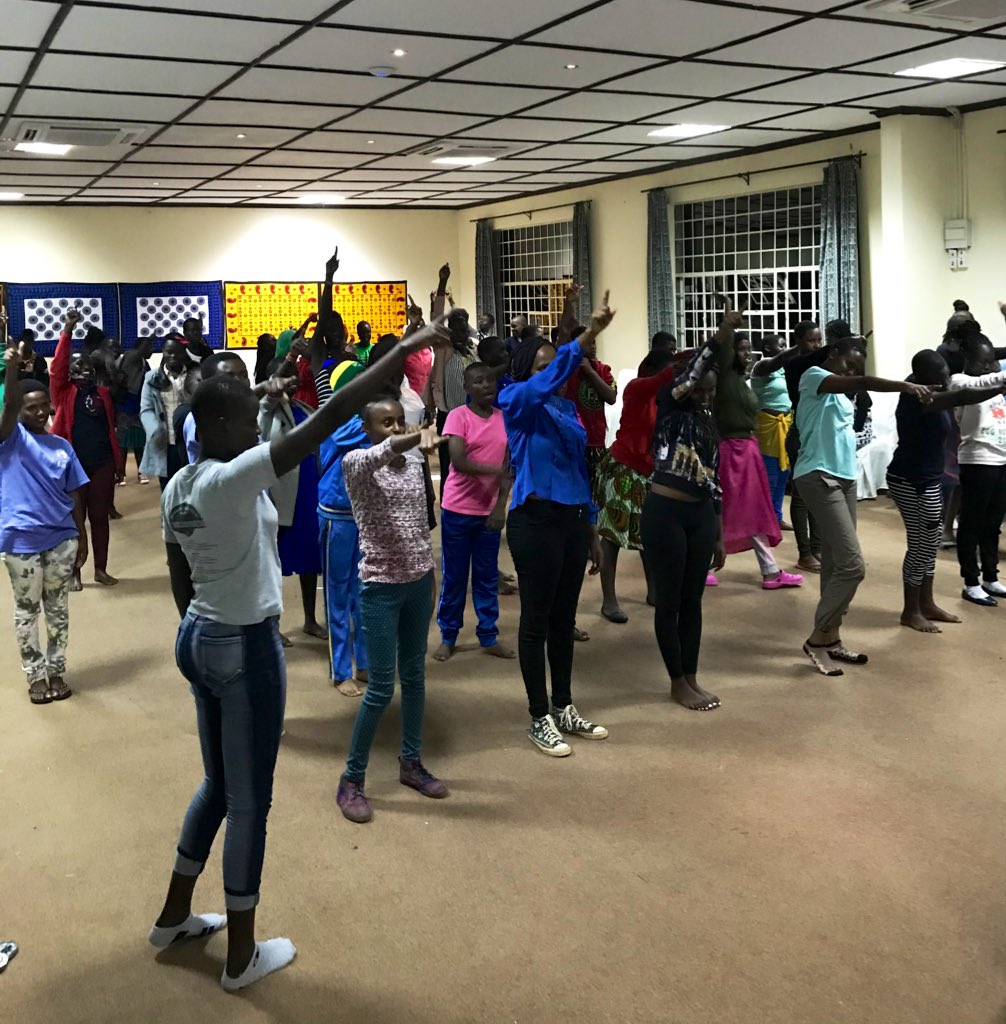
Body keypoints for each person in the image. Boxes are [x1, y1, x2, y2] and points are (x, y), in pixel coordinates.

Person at [152, 316, 446, 989]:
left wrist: (271, 391)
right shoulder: (235, 478)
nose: (258, 424)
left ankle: (174, 913)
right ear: (221, 427)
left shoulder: (181, 485)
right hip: (244, 644)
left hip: (197, 636)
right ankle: (241, 955)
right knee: (251, 798)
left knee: (218, 785)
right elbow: (335, 412)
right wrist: (401, 350)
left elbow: (178, 574)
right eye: (246, 413)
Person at [499, 294, 615, 757]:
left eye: (559, 366)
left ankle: (564, 705)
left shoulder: (567, 412)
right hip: (534, 521)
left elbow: (578, 470)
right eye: (545, 367)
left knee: (565, 620)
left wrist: (590, 527)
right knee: (536, 619)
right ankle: (538, 715)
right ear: (528, 371)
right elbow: (540, 384)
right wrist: (583, 337)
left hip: (570, 519)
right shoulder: (517, 401)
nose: (557, 375)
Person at [336, 397, 447, 824]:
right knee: (381, 688)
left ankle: (411, 763)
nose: (396, 428)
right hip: (380, 588)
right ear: (368, 428)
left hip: (418, 582)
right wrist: (414, 437)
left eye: (401, 421)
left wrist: (430, 576)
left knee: (415, 676)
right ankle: (352, 779)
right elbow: (385, 451)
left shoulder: (416, 467)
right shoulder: (357, 463)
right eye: (386, 422)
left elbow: (421, 524)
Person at [795, 337, 931, 676]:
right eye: (847, 364)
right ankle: (816, 637)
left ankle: (831, 638)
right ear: (833, 354)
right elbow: (866, 383)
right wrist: (904, 386)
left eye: (857, 367)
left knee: (836, 563)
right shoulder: (813, 376)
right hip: (817, 475)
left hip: (845, 477)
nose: (852, 371)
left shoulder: (842, 395)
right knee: (854, 566)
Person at [641, 307, 744, 713]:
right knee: (669, 601)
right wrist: (721, 335)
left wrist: (718, 531)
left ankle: (693, 675)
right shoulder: (670, 403)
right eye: (698, 389)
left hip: (699, 515)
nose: (703, 396)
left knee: (693, 600)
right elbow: (696, 369)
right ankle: (676, 681)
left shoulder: (706, 423)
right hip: (665, 511)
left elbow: (714, 480)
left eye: (709, 392)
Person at [887, 349, 1006, 631]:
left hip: (929, 478)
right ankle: (910, 610)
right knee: (919, 545)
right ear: (918, 375)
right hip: (910, 480)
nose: (944, 377)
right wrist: (1000, 388)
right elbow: (962, 396)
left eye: (944, 372)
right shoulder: (915, 396)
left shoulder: (931, 388)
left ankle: (926, 603)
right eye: (938, 373)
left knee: (930, 541)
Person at [0, 356, 88, 704]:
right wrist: (11, 371)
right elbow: (7, 407)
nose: (38, 413)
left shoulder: (62, 446)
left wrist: (80, 535)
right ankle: (35, 674)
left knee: (58, 609)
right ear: (19, 410)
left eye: (42, 407)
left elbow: (75, 493)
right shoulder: (9, 441)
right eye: (30, 408)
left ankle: (56, 668)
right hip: (21, 538)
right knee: (27, 609)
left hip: (61, 538)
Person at [433, 362, 514, 663]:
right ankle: (449, 635)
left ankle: (488, 634)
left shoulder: (503, 420)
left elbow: (509, 471)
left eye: (490, 380)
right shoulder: (458, 416)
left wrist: (499, 507)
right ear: (466, 388)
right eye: (478, 381)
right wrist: (496, 471)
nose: (486, 386)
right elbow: (459, 461)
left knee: (486, 576)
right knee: (455, 576)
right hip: (457, 509)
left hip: (488, 512)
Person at [594, 347, 679, 623]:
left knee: (650, 535)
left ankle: (653, 591)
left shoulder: (666, 397)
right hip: (623, 468)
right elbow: (664, 378)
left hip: (649, 470)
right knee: (612, 537)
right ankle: (609, 600)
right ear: (652, 370)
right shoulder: (637, 388)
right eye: (667, 372)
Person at [712, 329, 801, 590]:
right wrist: (729, 317)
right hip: (732, 449)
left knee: (754, 509)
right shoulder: (726, 377)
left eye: (749, 349)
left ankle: (770, 571)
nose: (747, 354)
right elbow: (725, 343)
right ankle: (703, 564)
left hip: (747, 447)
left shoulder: (741, 379)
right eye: (742, 349)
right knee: (731, 509)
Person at [49, 309, 122, 589]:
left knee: (100, 518)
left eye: (88, 371)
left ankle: (100, 569)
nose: (84, 374)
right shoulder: (64, 392)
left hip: (102, 461)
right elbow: (57, 367)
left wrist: (117, 462)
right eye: (78, 370)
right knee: (73, 520)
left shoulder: (102, 395)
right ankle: (75, 571)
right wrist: (67, 329)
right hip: (72, 466)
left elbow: (110, 430)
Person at [258, 359, 325, 643]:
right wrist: (276, 382)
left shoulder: (303, 408)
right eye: (287, 376)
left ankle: (310, 619)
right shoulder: (268, 408)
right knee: (276, 560)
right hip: (283, 494)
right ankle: (272, 624)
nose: (293, 381)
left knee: (310, 558)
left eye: (296, 376)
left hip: (309, 488)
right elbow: (265, 406)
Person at [949, 333, 1006, 607]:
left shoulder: (994, 383)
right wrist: (1000, 380)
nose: (988, 367)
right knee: (971, 523)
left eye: (991, 361)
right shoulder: (960, 382)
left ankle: (990, 577)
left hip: (1001, 459)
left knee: (993, 523)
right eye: (982, 362)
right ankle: (970, 582)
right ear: (968, 360)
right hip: (976, 458)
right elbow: (980, 386)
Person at [779, 321, 825, 572]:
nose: (817, 345)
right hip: (800, 434)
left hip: (816, 435)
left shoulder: (821, 366)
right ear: (798, 341)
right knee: (801, 496)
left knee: (817, 494)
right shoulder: (796, 364)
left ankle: (817, 549)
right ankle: (805, 553)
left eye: (819, 340)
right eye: (811, 340)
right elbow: (818, 358)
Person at [428, 302, 477, 500]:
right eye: (455, 330)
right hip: (450, 417)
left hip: (472, 418)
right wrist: (442, 286)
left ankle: (470, 502)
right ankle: (449, 503)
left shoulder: (472, 352)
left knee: (470, 463)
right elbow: (436, 319)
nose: (460, 334)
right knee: (450, 464)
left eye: (463, 330)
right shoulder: (443, 350)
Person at [140, 336, 197, 489]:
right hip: (167, 441)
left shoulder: (196, 373)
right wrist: (154, 430)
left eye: (177, 352)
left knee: (193, 483)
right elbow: (146, 409)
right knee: (168, 486)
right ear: (163, 352)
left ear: (184, 353)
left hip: (191, 440)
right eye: (169, 352)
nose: (173, 356)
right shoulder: (151, 378)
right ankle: (169, 513)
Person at [749, 332, 793, 528]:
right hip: (768, 424)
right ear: (768, 348)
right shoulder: (762, 367)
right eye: (781, 345)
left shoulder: (785, 370)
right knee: (770, 475)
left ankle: (776, 516)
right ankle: (763, 520)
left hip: (787, 422)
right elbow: (781, 359)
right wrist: (799, 349)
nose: (785, 349)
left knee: (784, 473)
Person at [115, 335, 153, 485]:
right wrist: (149, 340)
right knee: (123, 442)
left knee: (139, 441)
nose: (150, 350)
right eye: (148, 347)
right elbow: (136, 353)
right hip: (125, 403)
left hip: (139, 405)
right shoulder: (131, 356)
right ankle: (121, 474)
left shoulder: (145, 363)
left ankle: (141, 471)